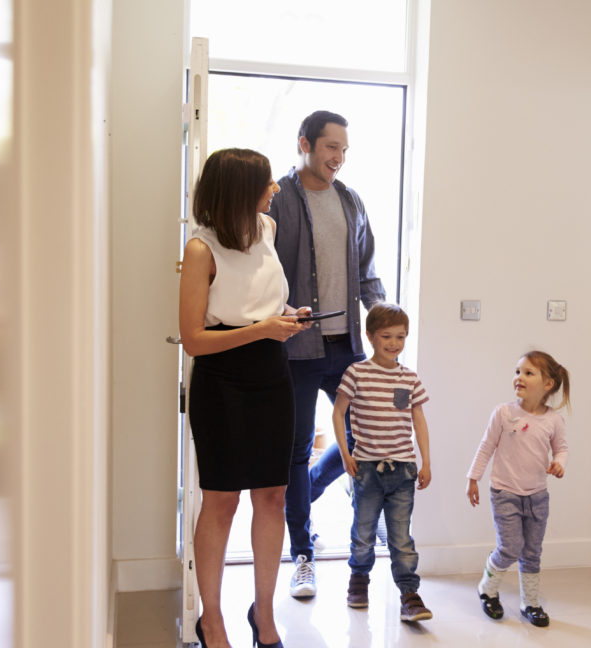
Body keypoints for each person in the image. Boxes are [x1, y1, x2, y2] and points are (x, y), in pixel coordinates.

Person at [179, 148, 312, 648]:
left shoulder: (267, 230)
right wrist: (261, 329)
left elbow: (264, 302)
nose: (275, 187)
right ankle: (211, 619)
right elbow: (193, 339)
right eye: (265, 182)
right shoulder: (200, 249)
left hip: (271, 374)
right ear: (239, 189)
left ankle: (264, 614)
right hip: (222, 380)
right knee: (221, 501)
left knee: (272, 495)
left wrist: (285, 315)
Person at [267, 110, 386, 598]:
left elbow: (368, 272)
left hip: (347, 348)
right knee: (294, 449)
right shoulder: (277, 200)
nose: (337, 157)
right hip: (296, 348)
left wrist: (384, 325)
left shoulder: (351, 200)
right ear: (305, 144)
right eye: (330, 147)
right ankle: (302, 553)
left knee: (368, 436)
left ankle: (310, 492)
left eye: (343, 150)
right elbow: (262, 275)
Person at [331, 302, 434, 622]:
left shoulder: (409, 378)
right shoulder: (357, 372)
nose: (394, 343)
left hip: (403, 469)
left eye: (401, 337)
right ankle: (358, 581)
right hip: (367, 469)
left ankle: (409, 594)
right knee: (363, 532)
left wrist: (425, 461)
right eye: (387, 336)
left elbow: (419, 418)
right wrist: (346, 454)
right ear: (370, 336)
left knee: (401, 537)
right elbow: (338, 412)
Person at [465, 351, 571, 627]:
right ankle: (487, 589)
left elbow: (561, 448)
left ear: (548, 384)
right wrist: (473, 478)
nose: (518, 378)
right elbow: (486, 446)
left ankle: (530, 603)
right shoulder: (503, 413)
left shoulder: (553, 421)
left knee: (532, 551)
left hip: (537, 496)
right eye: (517, 371)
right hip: (505, 493)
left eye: (527, 373)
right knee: (510, 547)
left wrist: (559, 463)